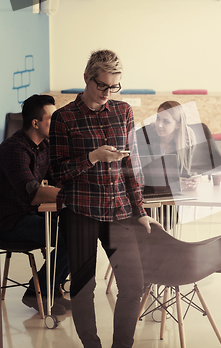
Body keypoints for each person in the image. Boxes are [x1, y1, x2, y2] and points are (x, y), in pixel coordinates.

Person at [49, 49, 162, 348]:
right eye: (102, 86)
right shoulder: (64, 118)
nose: (107, 93)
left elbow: (131, 164)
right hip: (80, 210)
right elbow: (57, 172)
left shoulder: (123, 111)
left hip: (120, 210)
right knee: (84, 288)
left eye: (114, 87)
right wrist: (91, 158)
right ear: (87, 78)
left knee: (133, 285)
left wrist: (139, 210)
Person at [0, 94, 71, 315]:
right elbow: (33, 193)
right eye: (52, 118)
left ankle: (49, 289)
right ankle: (37, 292)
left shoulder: (45, 145)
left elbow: (58, 177)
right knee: (70, 237)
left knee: (80, 226)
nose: (57, 123)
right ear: (36, 123)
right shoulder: (14, 149)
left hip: (33, 215)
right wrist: (71, 195)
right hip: (10, 222)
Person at [136, 100, 199, 190]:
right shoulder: (144, 136)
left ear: (178, 125)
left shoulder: (187, 140)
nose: (159, 125)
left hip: (173, 194)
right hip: (147, 191)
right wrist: (173, 184)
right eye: (158, 118)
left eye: (166, 122)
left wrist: (192, 181)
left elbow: (184, 171)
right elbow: (142, 176)